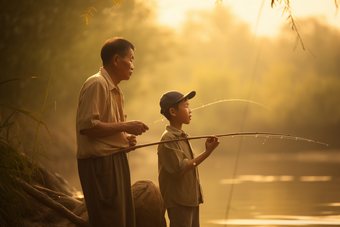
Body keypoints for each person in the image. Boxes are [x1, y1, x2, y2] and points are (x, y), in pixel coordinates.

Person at [75, 37, 149, 227]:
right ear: (116, 60)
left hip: (114, 159)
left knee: (122, 218)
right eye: (130, 59)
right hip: (100, 163)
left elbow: (106, 127)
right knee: (109, 218)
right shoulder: (97, 84)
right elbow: (87, 127)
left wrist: (124, 139)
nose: (133, 65)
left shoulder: (116, 90)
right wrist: (125, 126)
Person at [157, 90, 220, 227]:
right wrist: (207, 152)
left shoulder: (183, 136)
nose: (190, 110)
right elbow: (181, 168)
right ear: (173, 112)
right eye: (186, 106)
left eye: (189, 105)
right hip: (179, 202)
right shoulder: (168, 138)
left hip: (190, 200)